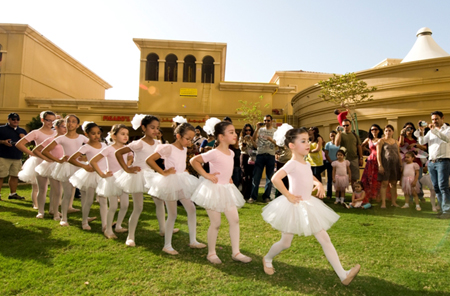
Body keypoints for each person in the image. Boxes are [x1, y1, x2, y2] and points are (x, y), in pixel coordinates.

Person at [261, 127, 360, 285]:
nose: (308, 144)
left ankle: (343, 275)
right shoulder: (292, 163)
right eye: (303, 141)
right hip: (294, 206)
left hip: (309, 206)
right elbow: (275, 179)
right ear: (292, 146)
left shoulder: (305, 163)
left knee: (324, 238)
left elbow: (309, 174)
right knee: (286, 242)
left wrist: (318, 182)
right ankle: (267, 258)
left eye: (308, 140)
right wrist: (288, 195)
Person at [190, 121, 251, 264]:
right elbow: (194, 161)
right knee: (216, 223)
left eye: (234, 131)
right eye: (231, 132)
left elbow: (225, 168)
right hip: (213, 190)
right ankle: (211, 253)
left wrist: (227, 176)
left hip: (227, 189)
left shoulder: (231, 153)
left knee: (234, 220)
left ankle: (236, 252)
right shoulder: (213, 153)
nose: (235, 134)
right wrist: (207, 175)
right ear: (221, 137)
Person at [115, 115, 176, 247]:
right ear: (144, 128)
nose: (155, 130)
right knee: (138, 207)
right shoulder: (138, 143)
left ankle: (163, 229)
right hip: (138, 175)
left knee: (160, 202)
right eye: (152, 127)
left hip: (152, 176)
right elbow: (118, 153)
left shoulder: (158, 144)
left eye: (157, 128)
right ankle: (130, 236)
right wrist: (127, 169)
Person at [145, 122, 206, 255]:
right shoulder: (168, 148)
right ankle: (167, 245)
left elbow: (180, 164)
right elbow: (149, 160)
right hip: (170, 182)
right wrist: (163, 172)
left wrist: (183, 170)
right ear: (178, 136)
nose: (189, 142)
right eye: (187, 139)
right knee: (172, 214)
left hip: (181, 180)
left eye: (191, 139)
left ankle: (193, 240)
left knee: (191, 209)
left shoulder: (184, 149)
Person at [42, 115, 88, 226]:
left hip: (79, 166)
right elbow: (45, 151)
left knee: (84, 193)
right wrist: (58, 160)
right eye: (68, 121)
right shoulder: (61, 138)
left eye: (73, 121)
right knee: (67, 193)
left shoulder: (81, 138)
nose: (70, 123)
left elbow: (94, 147)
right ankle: (64, 218)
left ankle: (85, 219)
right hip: (67, 167)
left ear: (77, 125)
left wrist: (86, 157)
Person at [90, 124, 132, 240]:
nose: (125, 136)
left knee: (125, 205)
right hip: (112, 179)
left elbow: (130, 158)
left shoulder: (127, 149)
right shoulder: (108, 149)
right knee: (113, 206)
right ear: (114, 136)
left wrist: (128, 166)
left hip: (124, 178)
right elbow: (93, 161)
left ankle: (118, 225)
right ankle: (108, 229)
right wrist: (102, 174)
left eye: (127, 134)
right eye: (122, 134)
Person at [68, 122, 107, 230]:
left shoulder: (104, 145)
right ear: (87, 134)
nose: (96, 136)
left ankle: (104, 224)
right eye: (93, 133)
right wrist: (84, 166)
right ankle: (84, 221)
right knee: (88, 200)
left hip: (102, 174)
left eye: (98, 133)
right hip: (90, 175)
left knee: (103, 199)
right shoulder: (86, 147)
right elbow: (71, 158)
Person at [16, 111, 56, 210]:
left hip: (52, 160)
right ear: (42, 120)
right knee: (37, 186)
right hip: (39, 160)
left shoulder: (56, 132)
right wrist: (32, 154)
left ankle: (53, 205)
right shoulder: (36, 132)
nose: (51, 123)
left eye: (53, 121)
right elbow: (19, 144)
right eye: (48, 120)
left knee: (55, 185)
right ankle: (36, 205)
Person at [416, 111, 450, 219]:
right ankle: (442, 209)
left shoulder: (448, 129)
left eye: (436, 119)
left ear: (442, 118)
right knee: (436, 187)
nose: (434, 121)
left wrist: (433, 130)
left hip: (443, 161)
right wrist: (421, 131)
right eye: (433, 119)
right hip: (432, 162)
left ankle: (447, 211)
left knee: (443, 186)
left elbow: (446, 139)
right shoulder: (430, 132)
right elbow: (421, 142)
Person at [34, 119, 66, 220]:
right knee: (42, 189)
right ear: (56, 127)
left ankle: (55, 212)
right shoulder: (51, 139)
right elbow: (36, 150)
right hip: (47, 165)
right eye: (63, 126)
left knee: (57, 191)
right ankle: (41, 212)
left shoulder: (67, 140)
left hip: (59, 166)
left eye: (66, 127)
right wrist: (47, 159)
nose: (65, 129)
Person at [0, 113, 27, 201]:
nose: (15, 121)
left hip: (17, 156)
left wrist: (23, 138)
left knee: (15, 175)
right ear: (8, 119)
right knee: (1, 176)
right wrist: (3, 142)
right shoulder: (2, 129)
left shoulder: (21, 130)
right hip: (3, 156)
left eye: (17, 120)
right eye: (13, 119)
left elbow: (27, 142)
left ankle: (13, 193)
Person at [250, 115, 277, 203]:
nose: (266, 122)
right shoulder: (260, 130)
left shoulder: (275, 131)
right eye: (265, 120)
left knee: (269, 178)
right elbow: (253, 139)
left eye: (268, 120)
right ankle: (253, 197)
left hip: (270, 156)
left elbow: (278, 144)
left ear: (271, 121)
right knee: (256, 177)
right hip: (260, 155)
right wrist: (257, 128)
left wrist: (270, 139)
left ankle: (266, 197)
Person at [399, 122, 427, 201]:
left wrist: (415, 145)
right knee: (409, 180)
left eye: (411, 128)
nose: (409, 130)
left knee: (419, 179)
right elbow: (400, 144)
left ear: (414, 130)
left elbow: (424, 147)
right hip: (407, 163)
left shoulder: (417, 138)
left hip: (417, 162)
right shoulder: (403, 138)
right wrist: (402, 134)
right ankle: (410, 198)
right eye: (407, 128)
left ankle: (420, 195)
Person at [377, 125, 402, 208]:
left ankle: (394, 202)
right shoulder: (381, 141)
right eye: (386, 130)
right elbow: (378, 154)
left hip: (395, 165)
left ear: (393, 132)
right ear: (384, 132)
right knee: (384, 183)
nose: (388, 132)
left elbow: (398, 154)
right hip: (385, 164)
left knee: (394, 183)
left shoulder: (396, 142)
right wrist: (380, 165)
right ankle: (383, 203)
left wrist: (400, 165)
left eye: (390, 130)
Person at [335, 119, 363, 190]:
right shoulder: (340, 134)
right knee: (342, 179)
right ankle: (342, 197)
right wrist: (339, 133)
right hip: (343, 160)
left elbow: (359, 146)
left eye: (347, 125)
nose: (345, 127)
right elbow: (336, 144)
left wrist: (361, 158)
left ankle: (355, 194)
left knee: (354, 179)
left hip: (354, 159)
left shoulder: (354, 135)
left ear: (350, 125)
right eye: (343, 125)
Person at [361, 124, 383, 202]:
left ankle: (377, 196)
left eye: (376, 129)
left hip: (379, 159)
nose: (374, 131)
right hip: (371, 160)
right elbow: (361, 146)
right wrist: (368, 151)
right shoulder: (368, 139)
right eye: (372, 129)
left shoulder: (381, 139)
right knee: (368, 177)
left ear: (379, 130)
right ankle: (369, 195)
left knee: (377, 178)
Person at [239, 124, 257, 200]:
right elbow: (241, 148)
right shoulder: (242, 138)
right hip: (244, 156)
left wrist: (252, 140)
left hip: (252, 157)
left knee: (251, 176)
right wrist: (244, 142)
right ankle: (244, 194)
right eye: (246, 130)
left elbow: (256, 147)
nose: (248, 132)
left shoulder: (254, 137)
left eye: (249, 130)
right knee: (244, 176)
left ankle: (250, 194)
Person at [324, 131, 340, 199]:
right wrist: (331, 161)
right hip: (329, 163)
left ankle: (339, 195)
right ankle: (329, 194)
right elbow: (326, 154)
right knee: (330, 179)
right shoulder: (328, 144)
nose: (333, 137)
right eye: (331, 136)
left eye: (334, 135)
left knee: (338, 179)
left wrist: (337, 161)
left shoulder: (339, 144)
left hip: (338, 163)